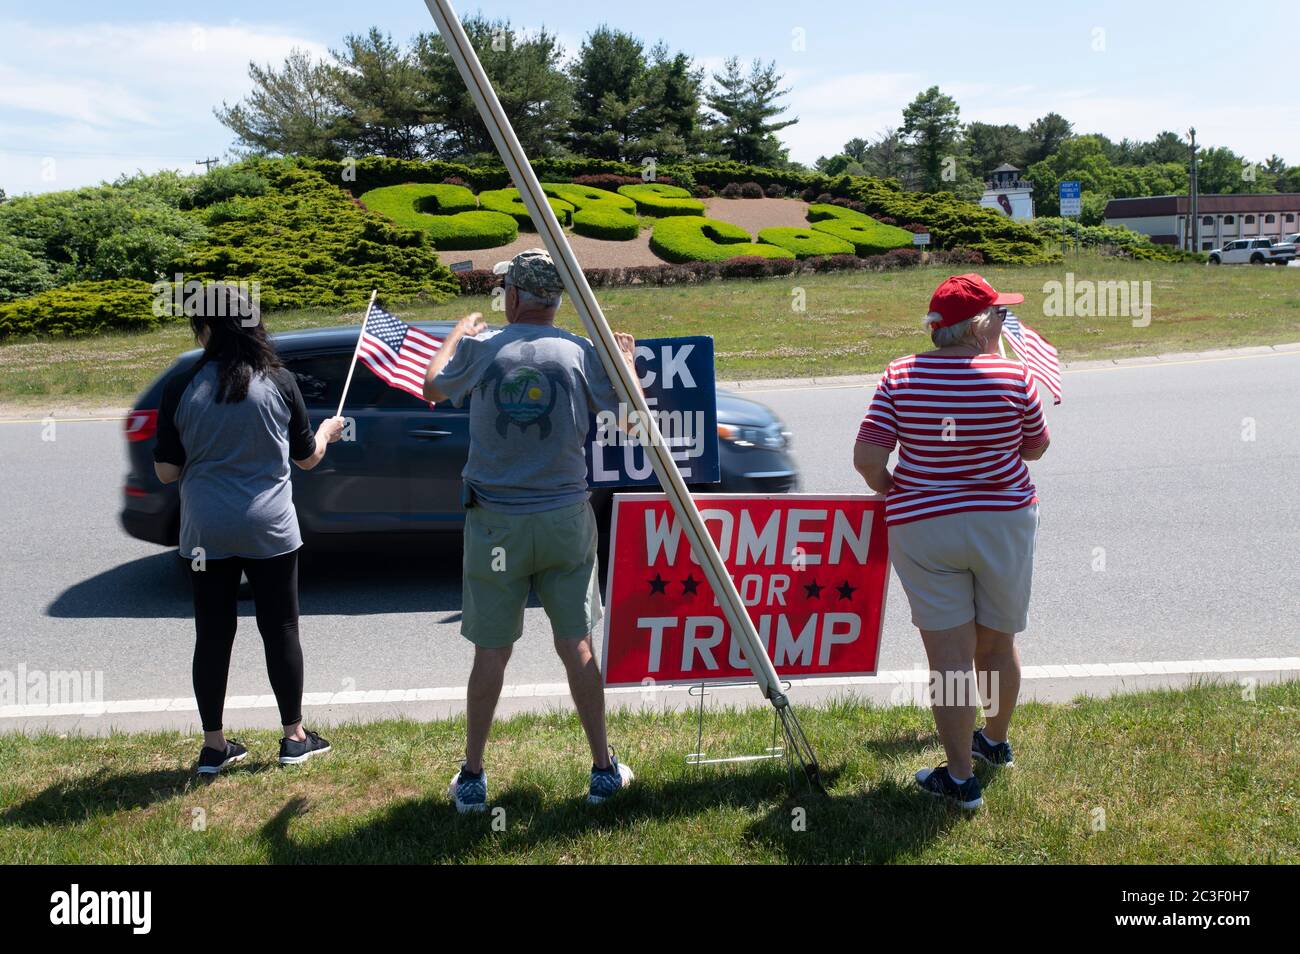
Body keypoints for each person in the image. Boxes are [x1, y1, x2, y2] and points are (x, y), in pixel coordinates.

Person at [424, 248, 640, 812]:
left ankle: (472, 774)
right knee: (577, 643)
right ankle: (602, 768)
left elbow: (431, 388)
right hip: (567, 518)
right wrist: (626, 361)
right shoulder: (581, 352)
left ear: (515, 295)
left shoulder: (483, 347)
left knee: (492, 650)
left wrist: (454, 334)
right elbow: (629, 414)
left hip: (495, 524)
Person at [853, 273, 1050, 810]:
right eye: (1001, 316)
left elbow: (869, 459)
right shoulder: (1016, 377)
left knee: (950, 659)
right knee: (999, 642)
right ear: (981, 325)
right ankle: (995, 740)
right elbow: (1035, 449)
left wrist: (898, 491)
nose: (1005, 325)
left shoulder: (900, 375)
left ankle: (961, 779)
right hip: (1003, 521)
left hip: (923, 525)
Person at [153, 285, 345, 775]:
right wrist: (325, 432)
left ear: (208, 327)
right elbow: (306, 458)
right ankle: (293, 738)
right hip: (271, 528)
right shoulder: (279, 381)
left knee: (212, 635)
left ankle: (215, 747)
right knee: (280, 627)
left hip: (206, 532)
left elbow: (166, 473)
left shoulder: (182, 385)